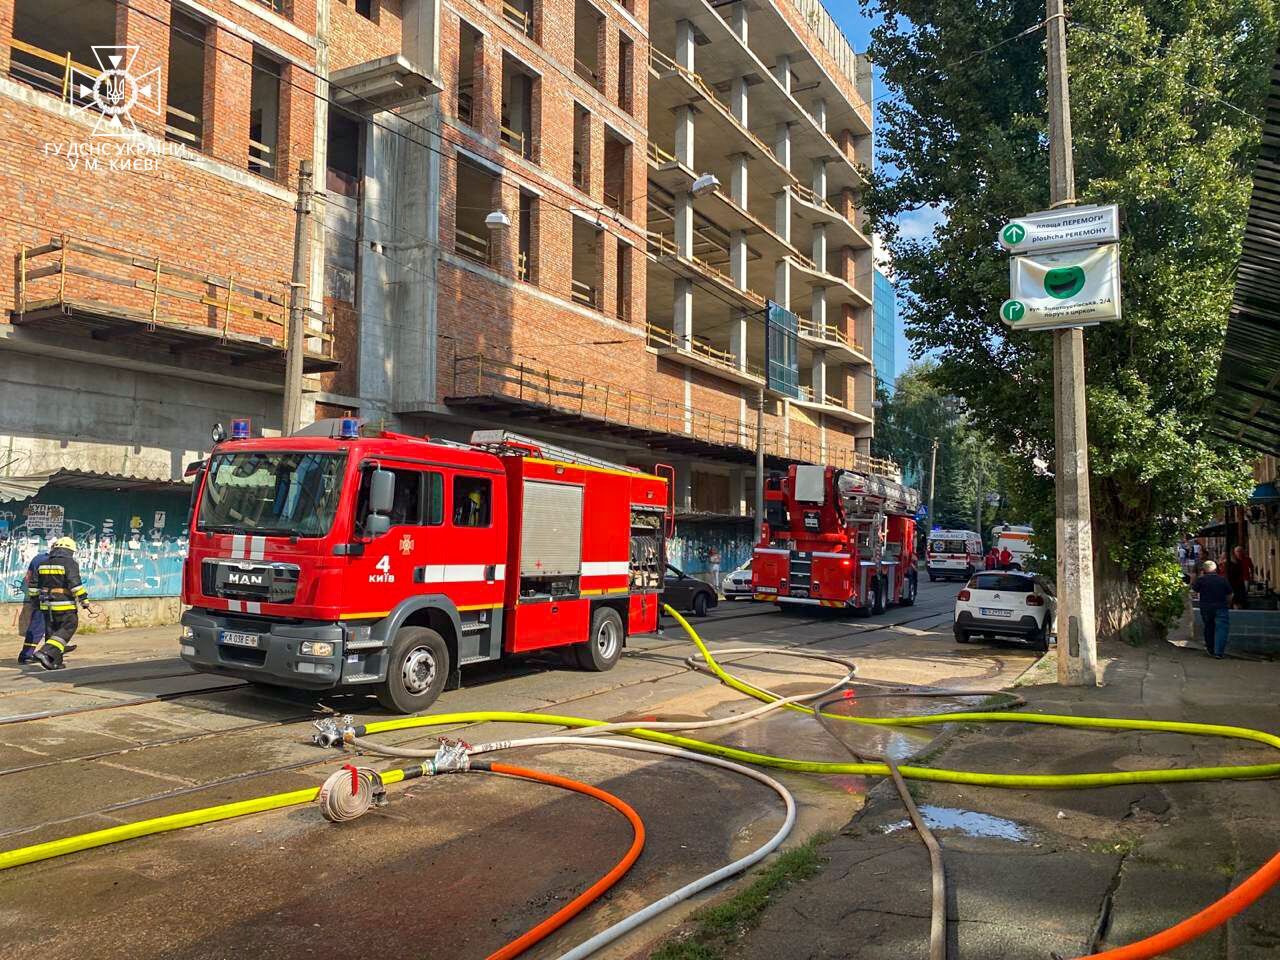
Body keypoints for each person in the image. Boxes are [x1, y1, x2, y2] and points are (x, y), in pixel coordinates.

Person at [32, 537, 90, 671]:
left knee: (52, 632)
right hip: (64, 604)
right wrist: (84, 601)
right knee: (69, 626)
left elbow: (34, 585)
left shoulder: (43, 563)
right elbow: (75, 584)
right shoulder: (70, 563)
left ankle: (54, 662)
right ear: (70, 550)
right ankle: (45, 651)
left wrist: (36, 601)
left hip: (46, 604)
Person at [1192, 560, 1232, 659]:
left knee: (1209, 627)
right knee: (1221, 629)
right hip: (1221, 606)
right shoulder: (1222, 579)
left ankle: (1210, 649)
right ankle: (1219, 652)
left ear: (1204, 570)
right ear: (1216, 569)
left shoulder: (1202, 580)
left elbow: (1194, 590)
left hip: (1206, 607)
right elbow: (1230, 594)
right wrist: (1227, 603)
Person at [17, 549, 48, 664]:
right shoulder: (54, 561)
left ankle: (50, 651)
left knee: (41, 626)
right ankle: (26, 655)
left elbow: (28, 578)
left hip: (37, 598)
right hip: (47, 599)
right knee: (38, 627)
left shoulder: (37, 559)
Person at [1228, 546, 1253, 610]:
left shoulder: (1247, 559)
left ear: (1243, 552)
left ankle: (1241, 603)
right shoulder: (1233, 561)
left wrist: (1251, 576)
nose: (1239, 553)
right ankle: (1237, 604)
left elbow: (1251, 568)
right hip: (1236, 581)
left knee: (1244, 591)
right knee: (1237, 593)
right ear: (1235, 553)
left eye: (1240, 551)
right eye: (1237, 551)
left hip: (1245, 578)